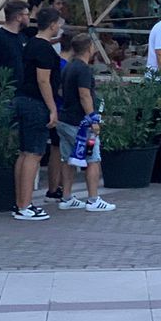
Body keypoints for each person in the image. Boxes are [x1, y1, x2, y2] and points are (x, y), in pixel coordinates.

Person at [11, 8, 63, 221]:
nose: (59, 27)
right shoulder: (43, 48)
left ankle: (20, 202)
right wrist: (52, 108)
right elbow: (43, 80)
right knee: (34, 153)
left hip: (24, 99)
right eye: (58, 24)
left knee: (25, 152)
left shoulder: (31, 43)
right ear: (52, 24)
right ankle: (25, 205)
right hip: (35, 103)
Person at [56, 34, 114, 212]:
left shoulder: (68, 67)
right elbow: (84, 95)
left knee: (67, 158)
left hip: (65, 119)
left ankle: (66, 197)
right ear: (89, 48)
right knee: (93, 158)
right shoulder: (83, 69)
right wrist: (92, 119)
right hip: (81, 124)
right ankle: (93, 199)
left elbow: (60, 90)